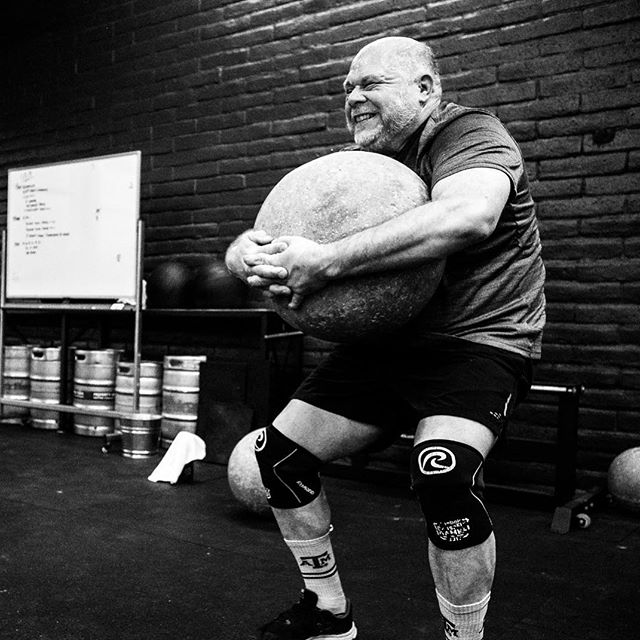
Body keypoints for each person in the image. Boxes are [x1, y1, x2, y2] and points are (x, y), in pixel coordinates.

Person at [225, 36, 545, 640]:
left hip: (478, 342)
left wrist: (325, 263)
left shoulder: (470, 134)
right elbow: (283, 239)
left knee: (443, 478)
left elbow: (468, 216)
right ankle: (327, 611)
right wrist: (248, 253)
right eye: (347, 87)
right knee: (279, 456)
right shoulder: (368, 166)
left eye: (370, 83)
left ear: (425, 90)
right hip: (388, 344)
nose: (353, 96)